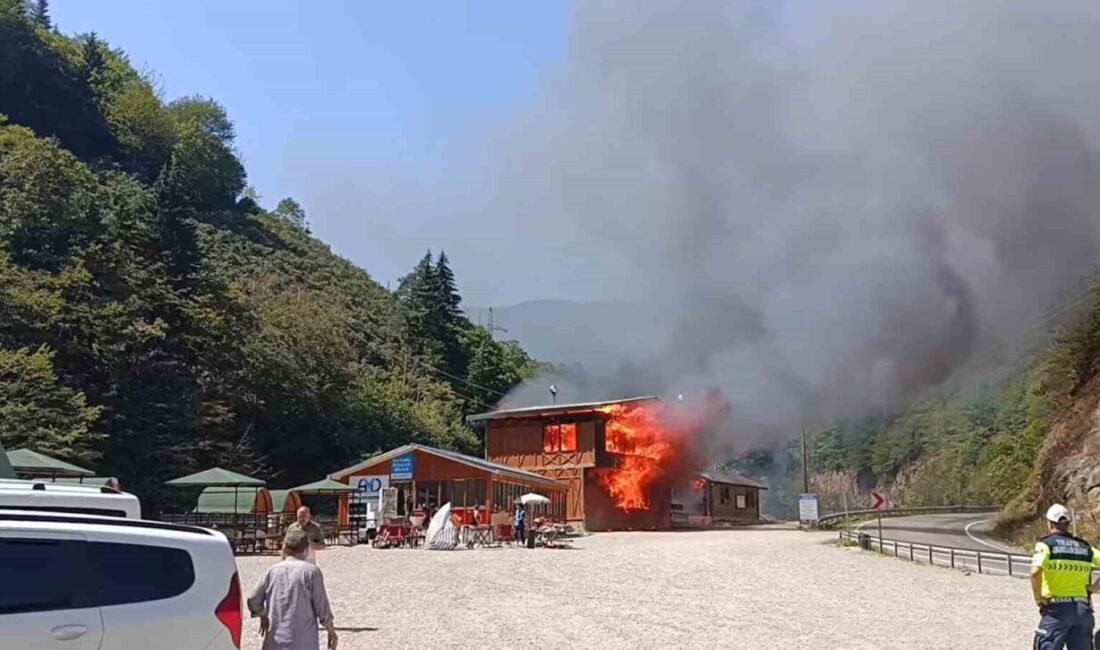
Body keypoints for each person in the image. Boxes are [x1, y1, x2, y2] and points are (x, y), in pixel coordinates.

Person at [248, 529, 338, 650]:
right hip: (304, 642)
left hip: (274, 641)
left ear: (285, 548)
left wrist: (263, 614)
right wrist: (331, 630)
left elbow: (253, 599)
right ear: (306, 549)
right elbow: (322, 607)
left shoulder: (271, 571)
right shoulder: (311, 572)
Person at [1031, 503, 1100, 650]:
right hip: (1083, 610)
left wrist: (1038, 598)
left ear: (1049, 523)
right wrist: (1094, 588)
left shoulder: (1046, 545)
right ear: (1068, 524)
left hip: (1056, 609)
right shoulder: (1085, 547)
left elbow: (1035, 572)